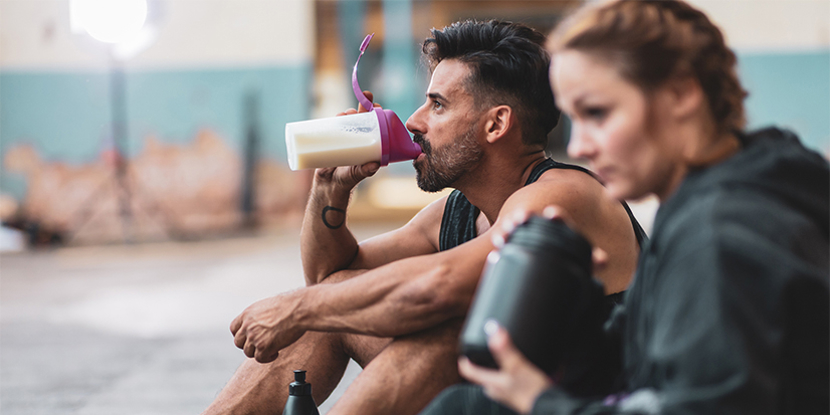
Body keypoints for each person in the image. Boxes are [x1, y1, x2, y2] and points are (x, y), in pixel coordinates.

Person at [201, 20, 645, 415]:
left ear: (496, 125)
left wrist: (295, 308)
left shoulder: (563, 196)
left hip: (580, 404)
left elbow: (441, 287)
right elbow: (330, 278)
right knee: (333, 306)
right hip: (490, 397)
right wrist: (329, 188)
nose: (414, 121)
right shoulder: (455, 213)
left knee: (440, 337)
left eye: (437, 105)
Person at [420, 1, 830, 414]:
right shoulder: (706, 200)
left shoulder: (719, 233)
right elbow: (636, 368)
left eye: (597, 113)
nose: (579, 146)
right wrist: (576, 298)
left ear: (680, 95)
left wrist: (540, 403)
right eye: (574, 119)